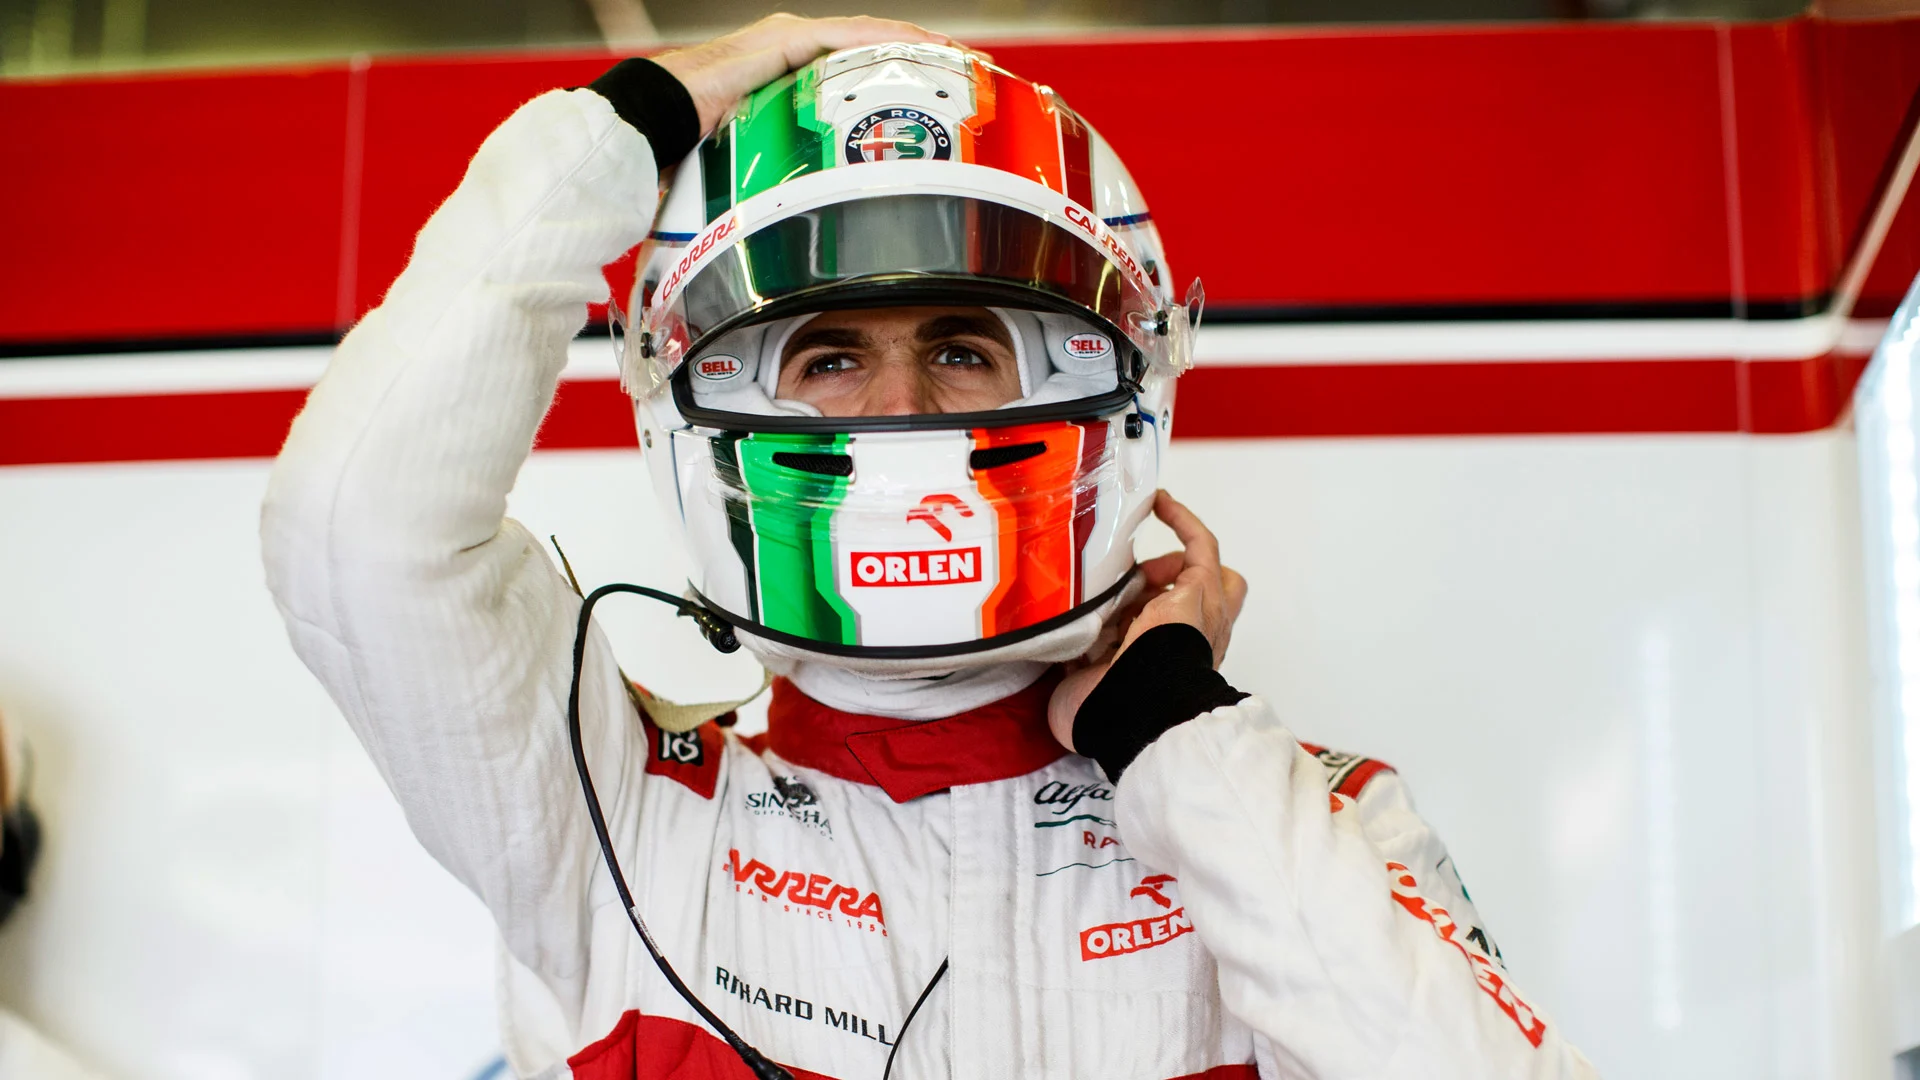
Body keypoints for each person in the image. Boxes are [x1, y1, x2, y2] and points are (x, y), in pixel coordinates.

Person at [262, 15, 1598, 1079]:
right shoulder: (616, 816)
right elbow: (351, 530)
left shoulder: (1315, 815)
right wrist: (629, 128)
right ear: (689, 394)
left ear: (1118, 382)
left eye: (963, 350)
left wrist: (1177, 740)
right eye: (830, 358)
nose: (898, 413)